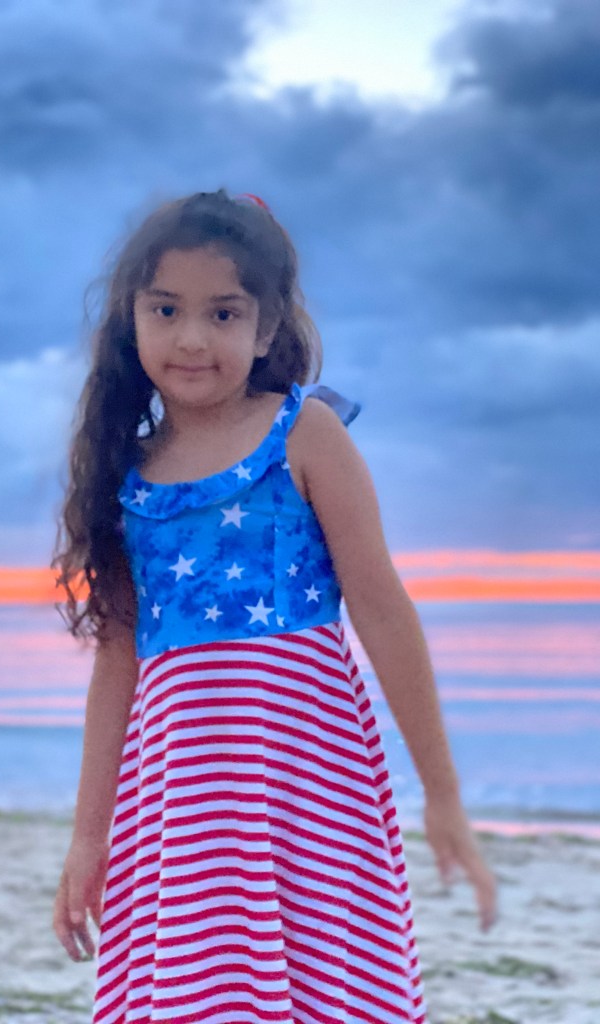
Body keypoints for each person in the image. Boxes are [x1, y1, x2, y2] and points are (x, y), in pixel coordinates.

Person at [51, 189, 497, 1023]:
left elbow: (383, 610)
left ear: (265, 329)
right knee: (196, 987)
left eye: (223, 313)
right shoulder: (124, 473)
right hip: (180, 798)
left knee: (320, 982)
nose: (192, 338)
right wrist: (87, 838)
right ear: (131, 322)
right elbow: (117, 661)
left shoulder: (306, 435)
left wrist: (441, 794)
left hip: (305, 785)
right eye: (166, 309)